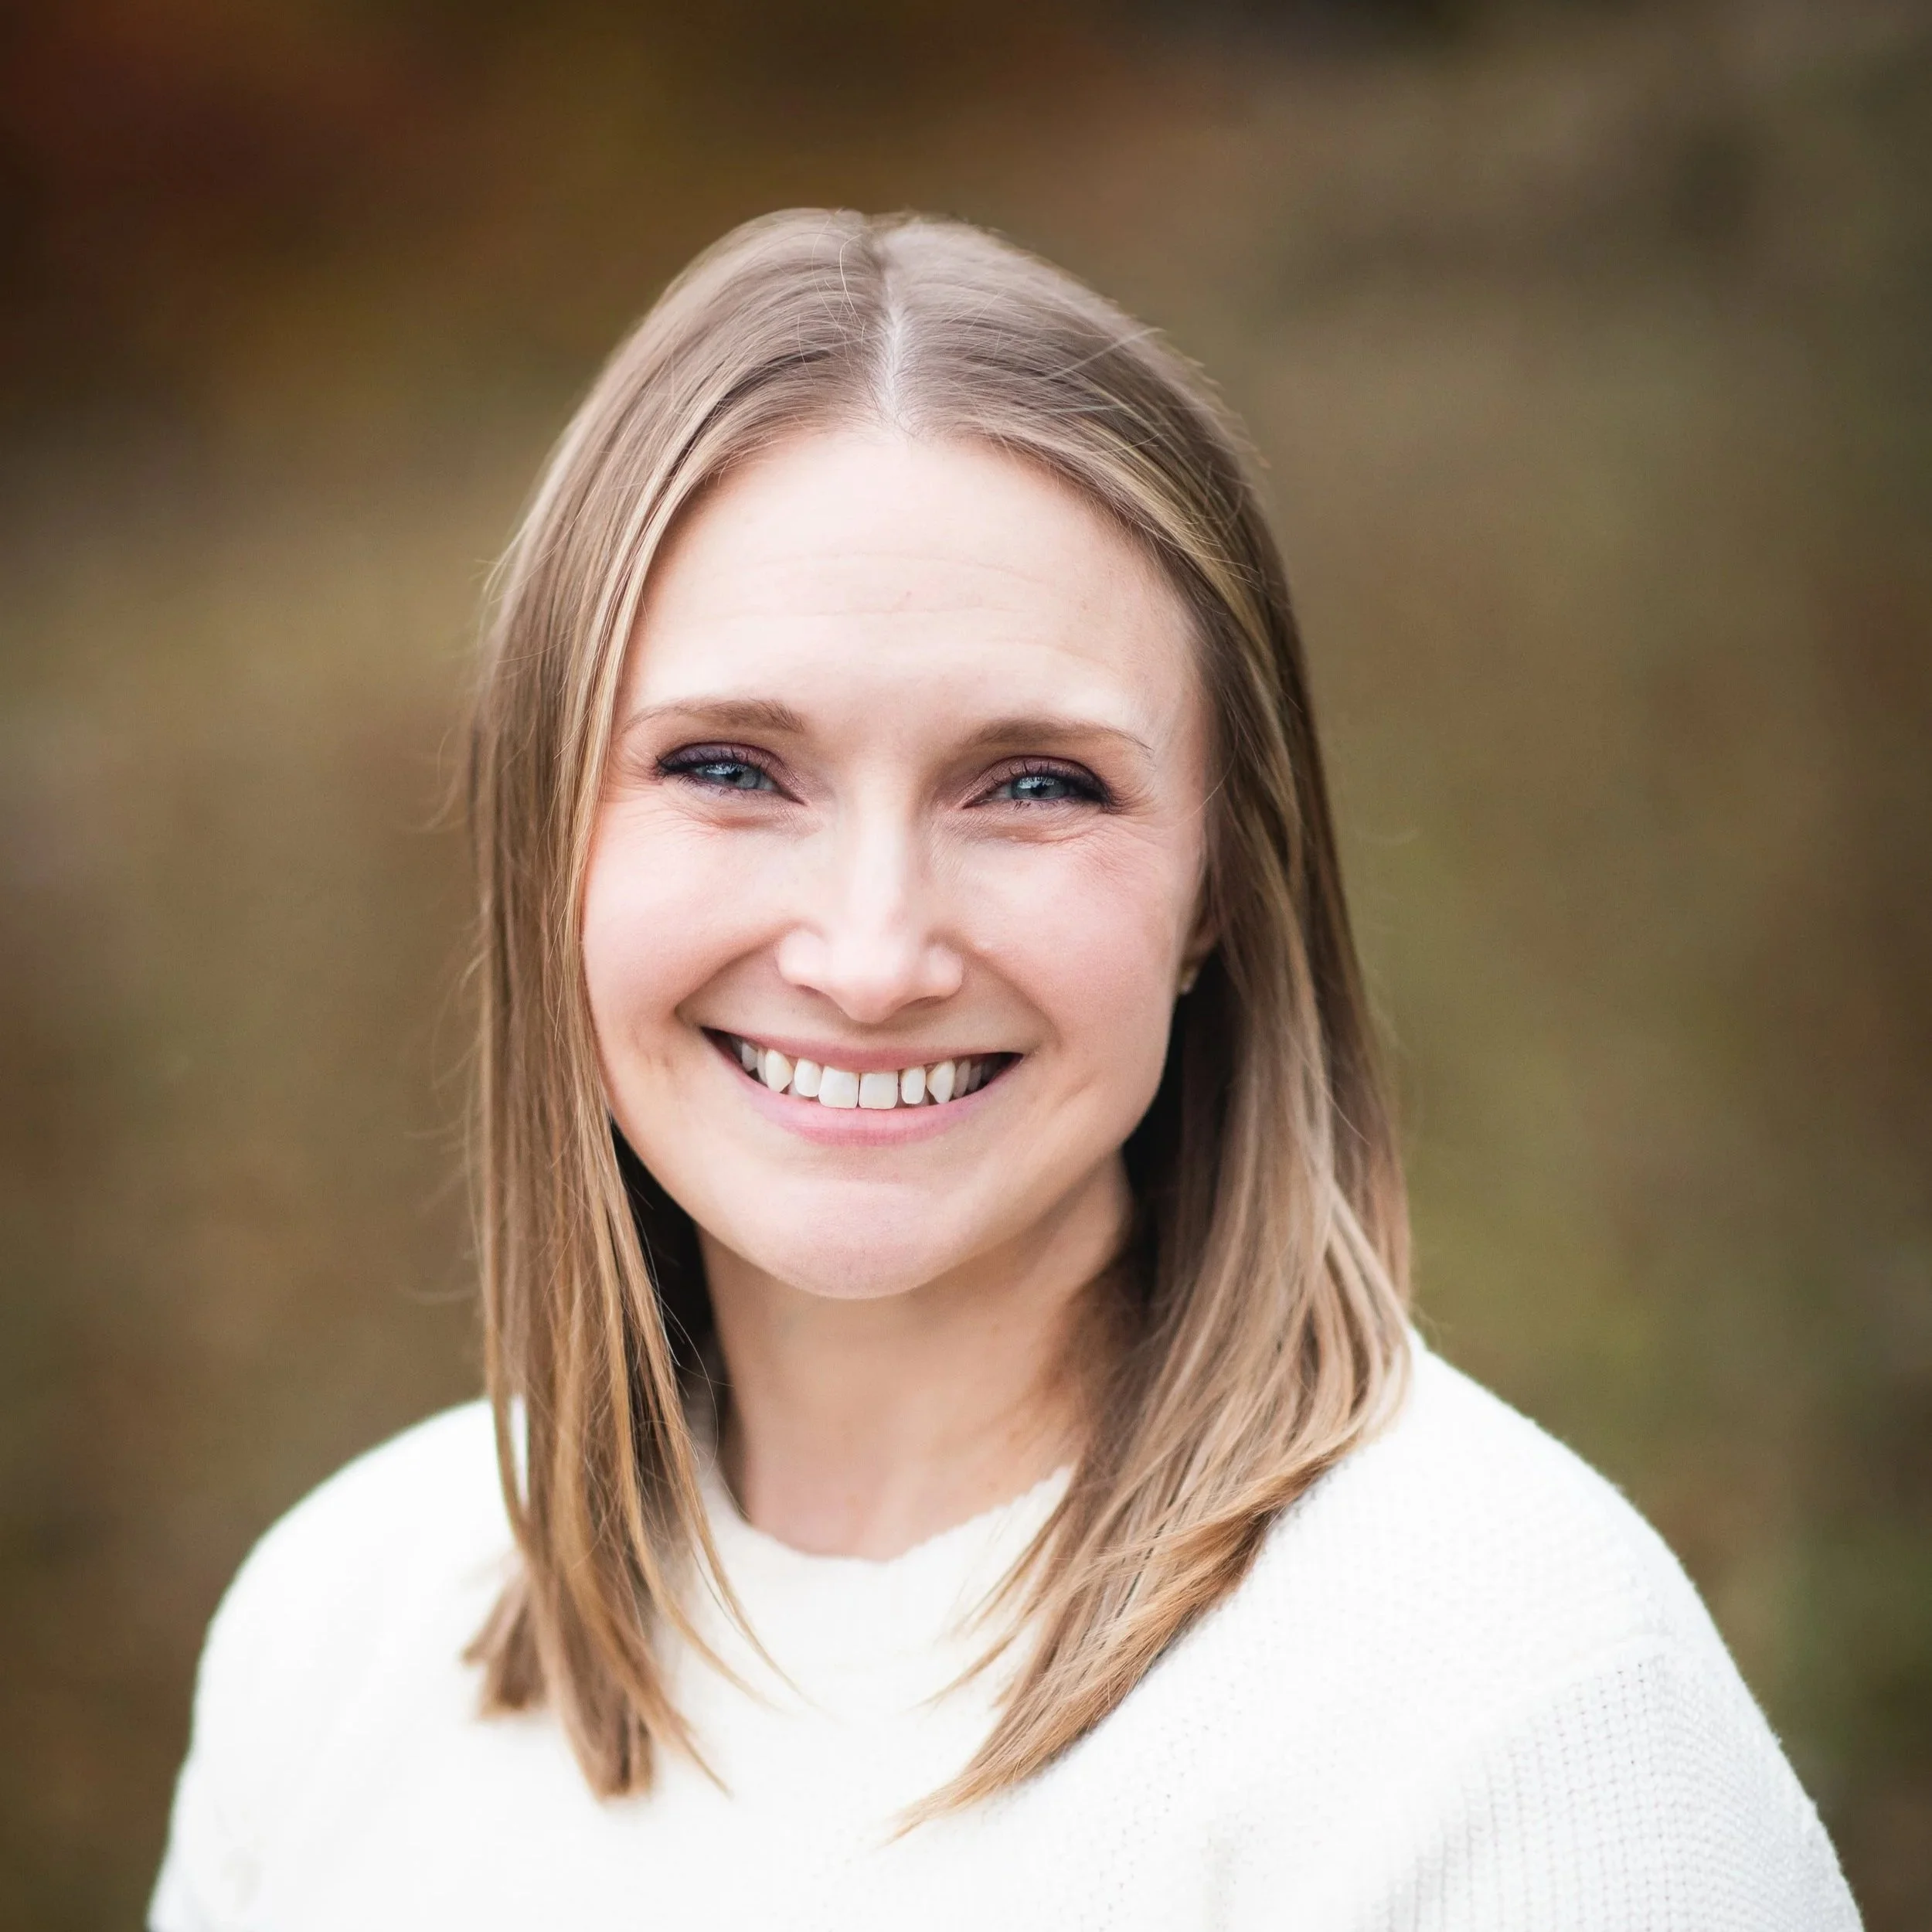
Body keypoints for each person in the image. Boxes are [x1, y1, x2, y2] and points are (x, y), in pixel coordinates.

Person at [150, 208, 1860, 1930]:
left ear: (1216, 890)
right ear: (543, 846)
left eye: (1033, 784)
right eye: (731, 765)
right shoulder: (338, 1628)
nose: (873, 950)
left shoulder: (1511, 1693)